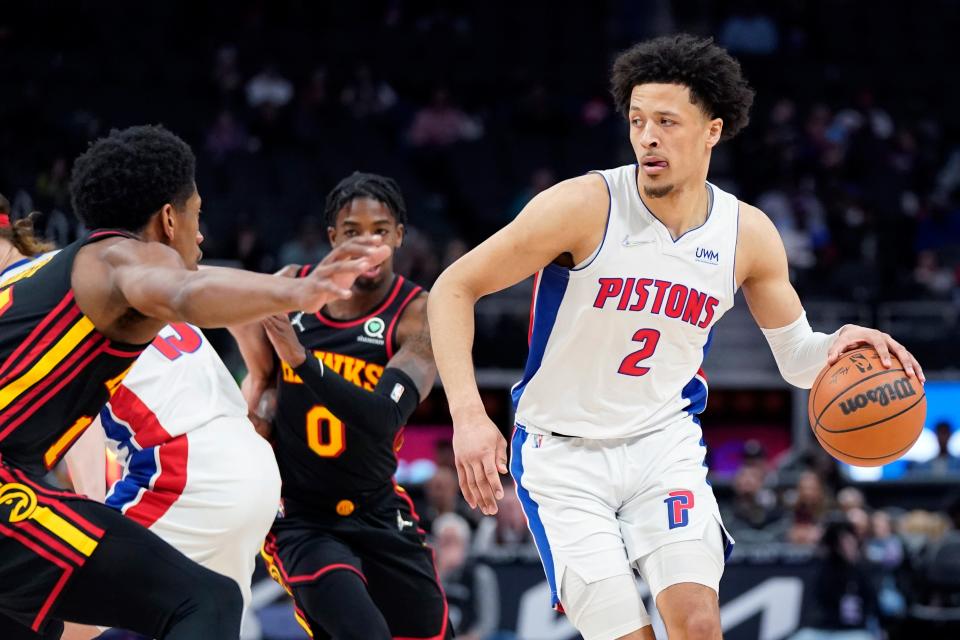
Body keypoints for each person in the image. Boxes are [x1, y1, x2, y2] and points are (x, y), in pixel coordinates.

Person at [427, 34, 924, 640]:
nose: (647, 137)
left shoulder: (748, 233)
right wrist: (469, 415)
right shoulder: (585, 205)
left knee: (696, 625)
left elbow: (798, 359)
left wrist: (839, 342)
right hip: (562, 456)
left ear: (712, 130)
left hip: (663, 446)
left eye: (666, 121)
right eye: (637, 121)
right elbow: (453, 287)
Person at [0, 125, 389, 639]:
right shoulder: (119, 259)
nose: (200, 233)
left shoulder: (47, 279)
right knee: (202, 602)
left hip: (23, 480)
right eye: (196, 215)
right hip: (42, 484)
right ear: (168, 218)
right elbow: (187, 291)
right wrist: (295, 292)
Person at [238, 172, 450, 639]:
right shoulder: (289, 289)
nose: (367, 243)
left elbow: (384, 417)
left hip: (377, 507)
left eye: (380, 230)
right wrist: (259, 402)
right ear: (332, 238)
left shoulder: (417, 312)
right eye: (352, 232)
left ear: (398, 236)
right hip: (302, 517)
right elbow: (258, 373)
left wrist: (302, 361)